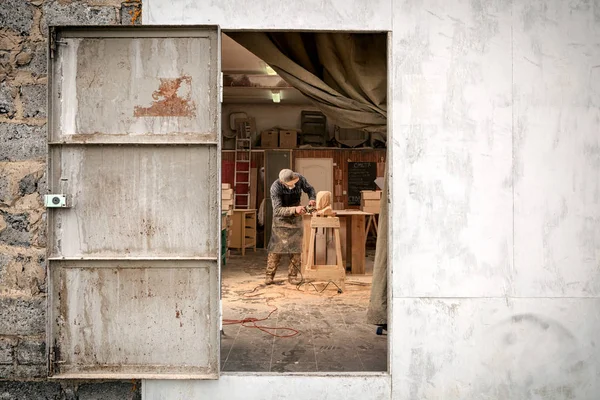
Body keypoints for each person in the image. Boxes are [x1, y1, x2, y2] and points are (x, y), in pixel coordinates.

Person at [265, 169, 316, 285]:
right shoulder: (275, 187)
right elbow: (277, 210)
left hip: (296, 218)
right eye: (289, 184)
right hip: (281, 220)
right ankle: (269, 275)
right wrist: (294, 209)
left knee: (297, 249)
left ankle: (293, 276)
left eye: (293, 182)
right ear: (282, 182)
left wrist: (312, 198)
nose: (292, 185)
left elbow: (310, 189)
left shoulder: (300, 179)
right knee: (275, 249)